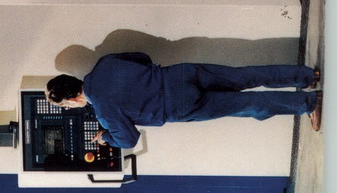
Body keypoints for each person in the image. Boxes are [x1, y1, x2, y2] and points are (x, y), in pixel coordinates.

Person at [46, 52, 322, 149]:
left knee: (247, 104)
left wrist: (106, 137)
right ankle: (307, 75)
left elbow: (128, 140)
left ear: (72, 98)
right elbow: (142, 57)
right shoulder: (104, 64)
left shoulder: (104, 112)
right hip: (180, 74)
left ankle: (308, 103)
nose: (70, 107)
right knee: (244, 76)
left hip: (180, 106)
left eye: (66, 105)